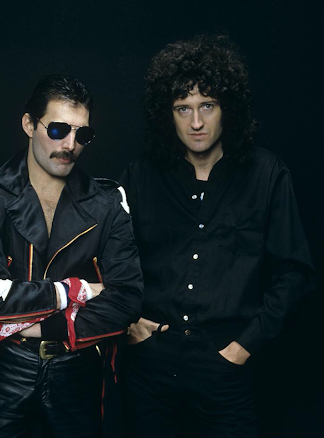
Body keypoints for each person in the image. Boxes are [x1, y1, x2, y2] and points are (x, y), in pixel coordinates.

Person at [119, 35, 315, 437]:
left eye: (207, 105)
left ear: (228, 108)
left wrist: (243, 347)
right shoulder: (141, 176)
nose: (196, 122)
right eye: (183, 108)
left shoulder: (266, 174)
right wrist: (130, 324)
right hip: (150, 363)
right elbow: (107, 258)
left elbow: (294, 271)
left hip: (226, 364)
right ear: (167, 114)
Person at [0, 74, 143, 437]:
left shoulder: (109, 202)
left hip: (79, 368)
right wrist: (75, 290)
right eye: (58, 130)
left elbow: (127, 299)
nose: (70, 145)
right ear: (29, 124)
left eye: (82, 134)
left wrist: (50, 327)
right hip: (4, 367)